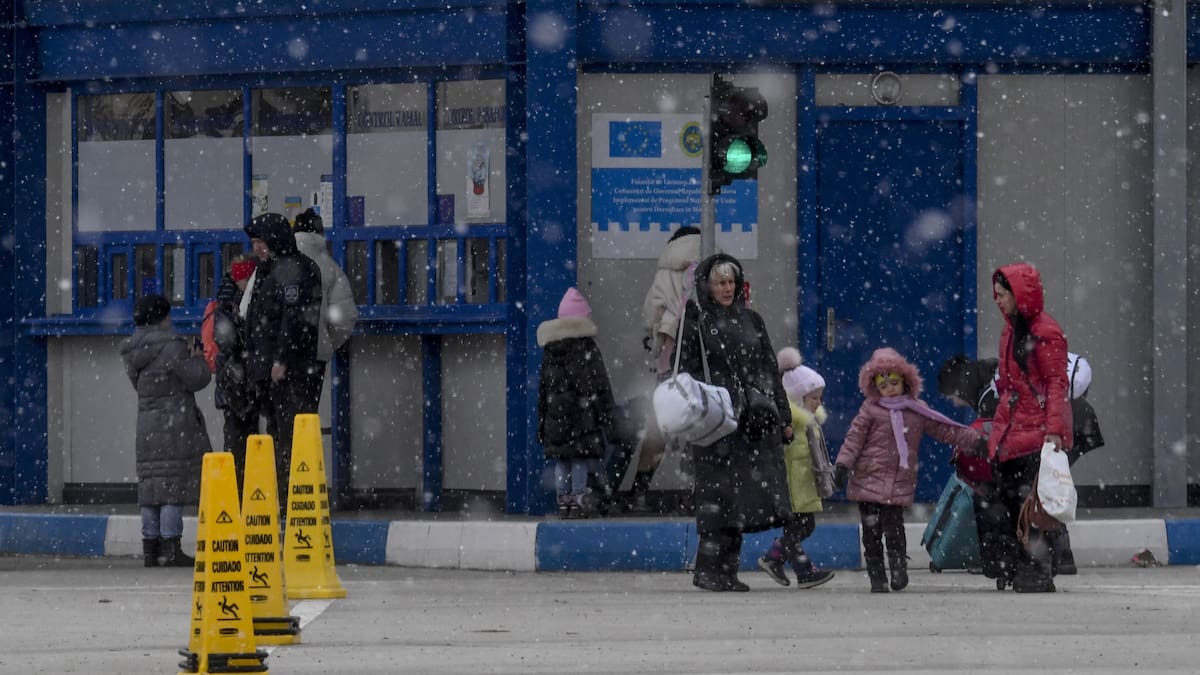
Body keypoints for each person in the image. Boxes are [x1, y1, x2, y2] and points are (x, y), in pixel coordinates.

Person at [675, 253, 792, 592]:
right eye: (720, 283)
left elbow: (770, 369)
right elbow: (686, 372)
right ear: (707, 287)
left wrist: (782, 415)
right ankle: (707, 569)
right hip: (714, 420)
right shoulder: (697, 323)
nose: (727, 288)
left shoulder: (752, 320)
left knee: (741, 496)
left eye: (731, 282)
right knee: (716, 495)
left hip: (749, 420)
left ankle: (728, 570)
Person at [833, 347, 984, 593]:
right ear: (875, 387)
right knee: (871, 531)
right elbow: (854, 440)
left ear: (905, 382)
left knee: (894, 527)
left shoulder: (916, 410)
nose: (889, 388)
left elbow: (945, 429)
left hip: (898, 481)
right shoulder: (870, 410)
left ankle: (898, 567)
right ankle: (876, 575)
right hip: (867, 480)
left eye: (894, 382)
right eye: (884, 385)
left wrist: (975, 440)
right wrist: (842, 465)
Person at [981, 262, 1073, 593]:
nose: (998, 300)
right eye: (996, 295)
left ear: (1019, 296)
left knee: (1032, 506)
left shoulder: (1044, 332)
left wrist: (1054, 430)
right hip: (1012, 429)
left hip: (1035, 432)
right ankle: (1020, 566)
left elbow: (1055, 383)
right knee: (1011, 501)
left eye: (1003, 294)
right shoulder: (1011, 330)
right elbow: (1010, 385)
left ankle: (1037, 570)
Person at [119, 294, 212, 567]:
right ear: (161, 317)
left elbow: (140, 385)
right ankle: (171, 548)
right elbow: (197, 379)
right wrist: (198, 359)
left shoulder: (132, 352)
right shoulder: (172, 347)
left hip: (147, 423)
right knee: (173, 484)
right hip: (174, 423)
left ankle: (151, 547)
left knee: (150, 485)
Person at [241, 212, 323, 509]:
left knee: (290, 438)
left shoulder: (296, 270)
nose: (257, 248)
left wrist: (281, 360)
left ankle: (293, 503)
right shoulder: (268, 269)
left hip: (292, 373)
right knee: (277, 435)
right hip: (268, 371)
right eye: (254, 243)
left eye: (261, 241)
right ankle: (282, 499)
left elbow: (295, 320)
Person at [630, 226, 701, 511]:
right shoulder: (714, 263)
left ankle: (639, 490)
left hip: (670, 358)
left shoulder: (666, 269)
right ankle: (694, 493)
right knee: (699, 427)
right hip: (703, 358)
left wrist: (657, 332)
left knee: (658, 426)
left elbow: (651, 314)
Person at [756, 349, 836, 589]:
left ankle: (790, 566)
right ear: (798, 398)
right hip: (794, 486)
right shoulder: (790, 424)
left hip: (804, 485)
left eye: (820, 397)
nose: (818, 402)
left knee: (800, 527)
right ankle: (780, 561)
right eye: (813, 398)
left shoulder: (809, 424)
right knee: (802, 526)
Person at [537, 287, 617, 518]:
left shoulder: (551, 351)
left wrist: (542, 422)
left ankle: (564, 500)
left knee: (563, 460)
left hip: (556, 418)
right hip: (583, 418)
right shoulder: (587, 348)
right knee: (579, 458)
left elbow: (543, 390)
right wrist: (607, 418)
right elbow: (600, 384)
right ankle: (580, 496)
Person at [292, 208, 359, 409]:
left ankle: (282, 440)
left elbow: (249, 309)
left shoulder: (276, 264)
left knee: (282, 418)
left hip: (281, 356)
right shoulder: (331, 268)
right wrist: (326, 341)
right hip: (315, 354)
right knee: (308, 412)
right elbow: (344, 318)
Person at [210, 255, 257, 483]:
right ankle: (240, 486)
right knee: (240, 435)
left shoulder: (226, 302)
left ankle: (241, 485)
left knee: (239, 435)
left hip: (234, 379)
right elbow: (227, 342)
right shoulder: (229, 303)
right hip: (236, 379)